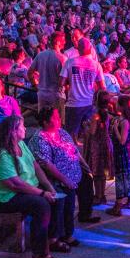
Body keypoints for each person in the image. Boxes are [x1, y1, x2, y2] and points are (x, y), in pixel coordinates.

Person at [0, 115, 60, 258]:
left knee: (57, 195)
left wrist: (49, 188)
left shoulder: (21, 145)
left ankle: (52, 239)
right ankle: (40, 253)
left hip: (24, 191)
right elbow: (15, 185)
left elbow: (36, 168)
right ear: (13, 131)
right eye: (22, 127)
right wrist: (41, 193)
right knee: (41, 204)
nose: (25, 129)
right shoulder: (3, 155)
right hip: (6, 198)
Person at [30, 105, 96, 249]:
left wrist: (86, 167)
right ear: (46, 122)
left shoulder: (62, 132)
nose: (59, 119)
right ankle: (61, 236)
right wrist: (65, 179)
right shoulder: (40, 139)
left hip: (74, 174)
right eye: (55, 117)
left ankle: (81, 219)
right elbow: (47, 165)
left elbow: (75, 151)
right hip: (55, 179)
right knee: (66, 195)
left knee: (87, 182)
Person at [79, 90, 116, 207]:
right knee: (103, 172)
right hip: (106, 143)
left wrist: (86, 126)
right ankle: (102, 195)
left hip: (96, 146)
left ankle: (97, 195)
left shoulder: (95, 116)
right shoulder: (107, 113)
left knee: (96, 172)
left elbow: (92, 132)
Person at [61, 37, 103, 135]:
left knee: (70, 134)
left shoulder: (70, 62)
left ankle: (72, 149)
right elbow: (102, 87)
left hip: (73, 104)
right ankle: (85, 150)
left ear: (78, 49)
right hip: (89, 104)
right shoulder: (96, 65)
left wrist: (73, 80)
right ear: (90, 49)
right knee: (88, 134)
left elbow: (61, 82)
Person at [107, 94, 130, 216]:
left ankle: (118, 206)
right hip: (125, 153)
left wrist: (114, 130)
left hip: (122, 153)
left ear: (122, 106)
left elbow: (122, 140)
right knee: (127, 176)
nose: (116, 105)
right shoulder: (123, 119)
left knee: (121, 178)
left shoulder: (124, 122)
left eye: (118, 103)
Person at [26, 30, 66, 114]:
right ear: (58, 42)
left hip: (42, 94)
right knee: (57, 123)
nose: (65, 42)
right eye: (63, 40)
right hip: (56, 95)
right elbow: (64, 80)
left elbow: (29, 73)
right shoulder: (62, 58)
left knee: (43, 122)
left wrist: (35, 85)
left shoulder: (40, 55)